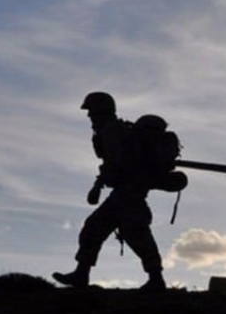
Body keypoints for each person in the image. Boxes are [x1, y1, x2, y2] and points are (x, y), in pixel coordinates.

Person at [53, 92, 166, 292]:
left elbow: (117, 163)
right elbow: (112, 163)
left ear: (101, 111)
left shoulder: (113, 131)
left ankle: (156, 279)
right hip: (125, 192)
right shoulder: (111, 130)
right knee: (97, 228)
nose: (89, 116)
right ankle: (82, 273)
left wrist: (98, 185)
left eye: (91, 111)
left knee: (135, 234)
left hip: (128, 192)